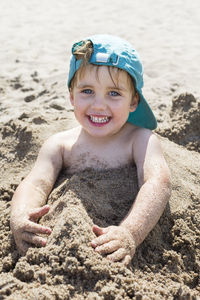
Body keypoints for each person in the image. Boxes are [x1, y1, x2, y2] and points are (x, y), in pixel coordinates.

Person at [10, 34, 171, 265]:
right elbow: (35, 183)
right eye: (87, 91)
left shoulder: (140, 140)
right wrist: (21, 214)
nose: (98, 104)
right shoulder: (60, 145)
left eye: (114, 93)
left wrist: (131, 233)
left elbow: (157, 183)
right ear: (71, 96)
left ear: (133, 101)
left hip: (119, 241)